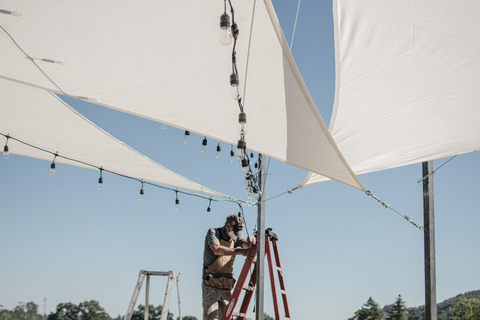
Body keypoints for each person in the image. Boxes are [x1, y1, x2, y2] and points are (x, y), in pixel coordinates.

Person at [202, 212, 256, 320]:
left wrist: (252, 240)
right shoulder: (214, 232)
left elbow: (246, 243)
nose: (236, 236)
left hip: (227, 286)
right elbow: (217, 250)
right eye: (235, 232)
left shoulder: (234, 237)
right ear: (228, 226)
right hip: (211, 285)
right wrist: (240, 251)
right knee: (210, 317)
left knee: (228, 317)